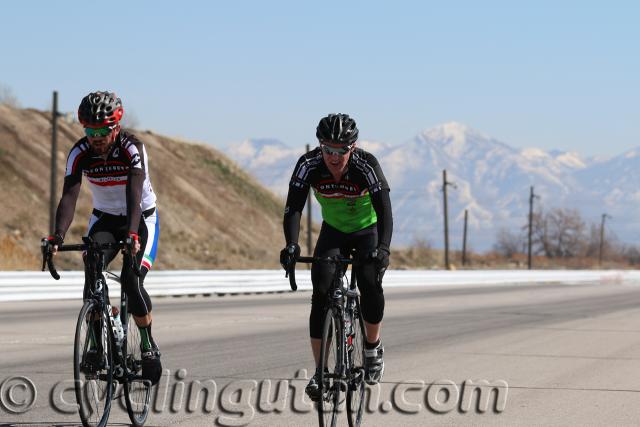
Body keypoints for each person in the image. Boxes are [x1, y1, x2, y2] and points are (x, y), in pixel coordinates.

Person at [46, 91, 162, 385]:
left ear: (116, 128)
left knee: (131, 281)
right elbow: (69, 196)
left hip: (140, 216)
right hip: (106, 217)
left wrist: (133, 234)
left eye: (101, 131)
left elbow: (134, 194)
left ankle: (148, 345)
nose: (95, 137)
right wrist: (57, 236)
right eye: (89, 130)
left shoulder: (132, 148)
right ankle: (96, 343)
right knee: (92, 273)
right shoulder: (79, 152)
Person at [280, 113, 393, 400]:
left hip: (368, 230)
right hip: (334, 231)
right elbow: (293, 207)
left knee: (369, 281)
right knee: (320, 290)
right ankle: (319, 372)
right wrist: (291, 245)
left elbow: (385, 211)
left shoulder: (366, 165)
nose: (333, 156)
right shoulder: (309, 164)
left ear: (352, 148)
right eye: (327, 149)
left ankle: (372, 345)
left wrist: (383, 249)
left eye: (340, 150)